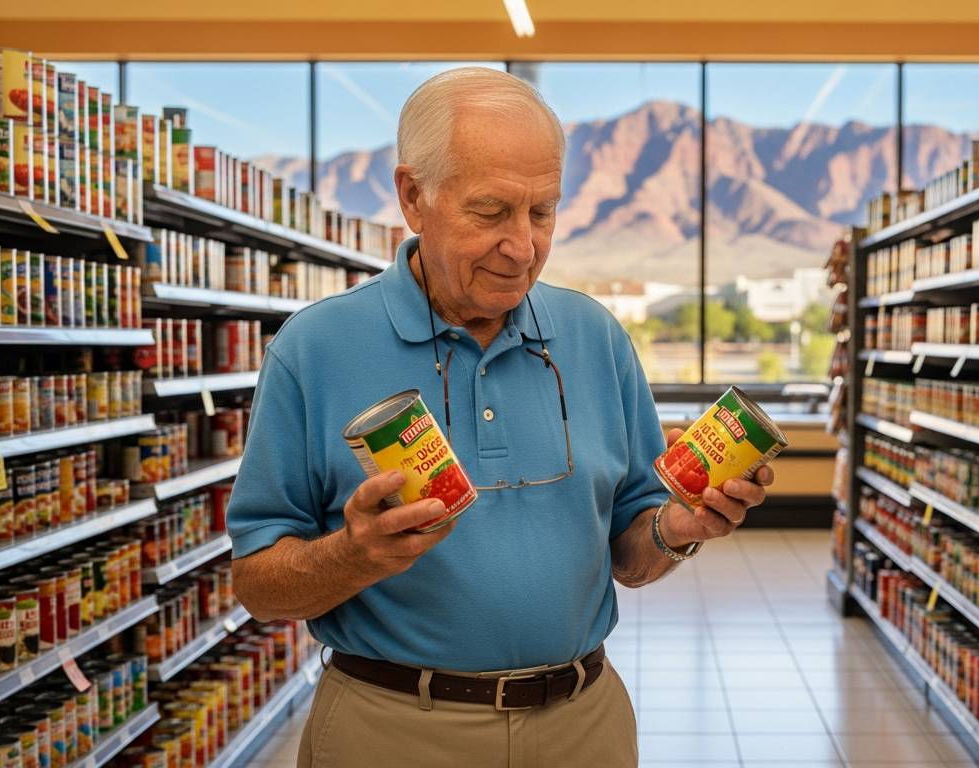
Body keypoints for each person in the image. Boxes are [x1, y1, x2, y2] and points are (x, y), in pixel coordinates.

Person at [226, 67, 776, 767]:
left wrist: (676, 529)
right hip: (391, 732)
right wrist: (351, 555)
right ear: (412, 197)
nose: (523, 248)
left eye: (542, 212)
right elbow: (257, 584)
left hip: (585, 726)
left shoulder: (595, 337)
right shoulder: (314, 349)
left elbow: (630, 554)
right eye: (491, 213)